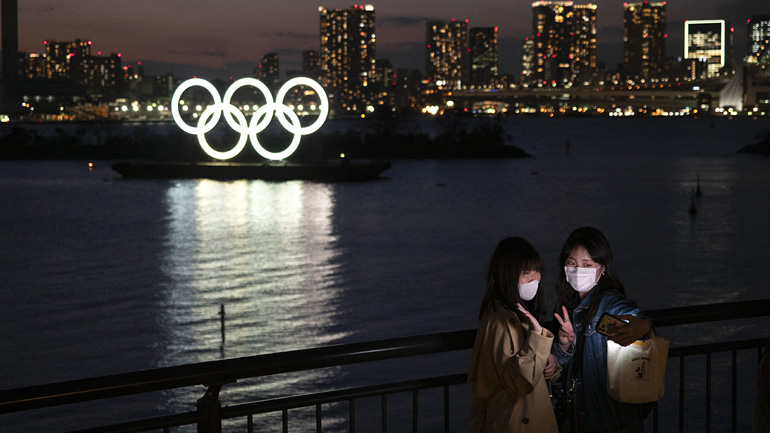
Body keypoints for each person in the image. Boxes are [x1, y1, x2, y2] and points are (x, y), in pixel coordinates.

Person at [551, 227, 652, 433]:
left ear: (602, 268)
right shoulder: (570, 306)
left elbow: (630, 314)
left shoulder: (608, 302)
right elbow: (568, 367)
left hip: (610, 421)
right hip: (581, 419)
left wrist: (643, 324)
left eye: (587, 265)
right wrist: (564, 345)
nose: (578, 270)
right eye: (572, 263)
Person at [466, 237, 561, 432]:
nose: (534, 278)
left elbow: (527, 363)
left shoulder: (512, 313)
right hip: (516, 420)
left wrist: (550, 361)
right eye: (526, 272)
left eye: (536, 271)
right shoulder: (501, 321)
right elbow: (520, 381)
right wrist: (538, 336)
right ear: (506, 274)